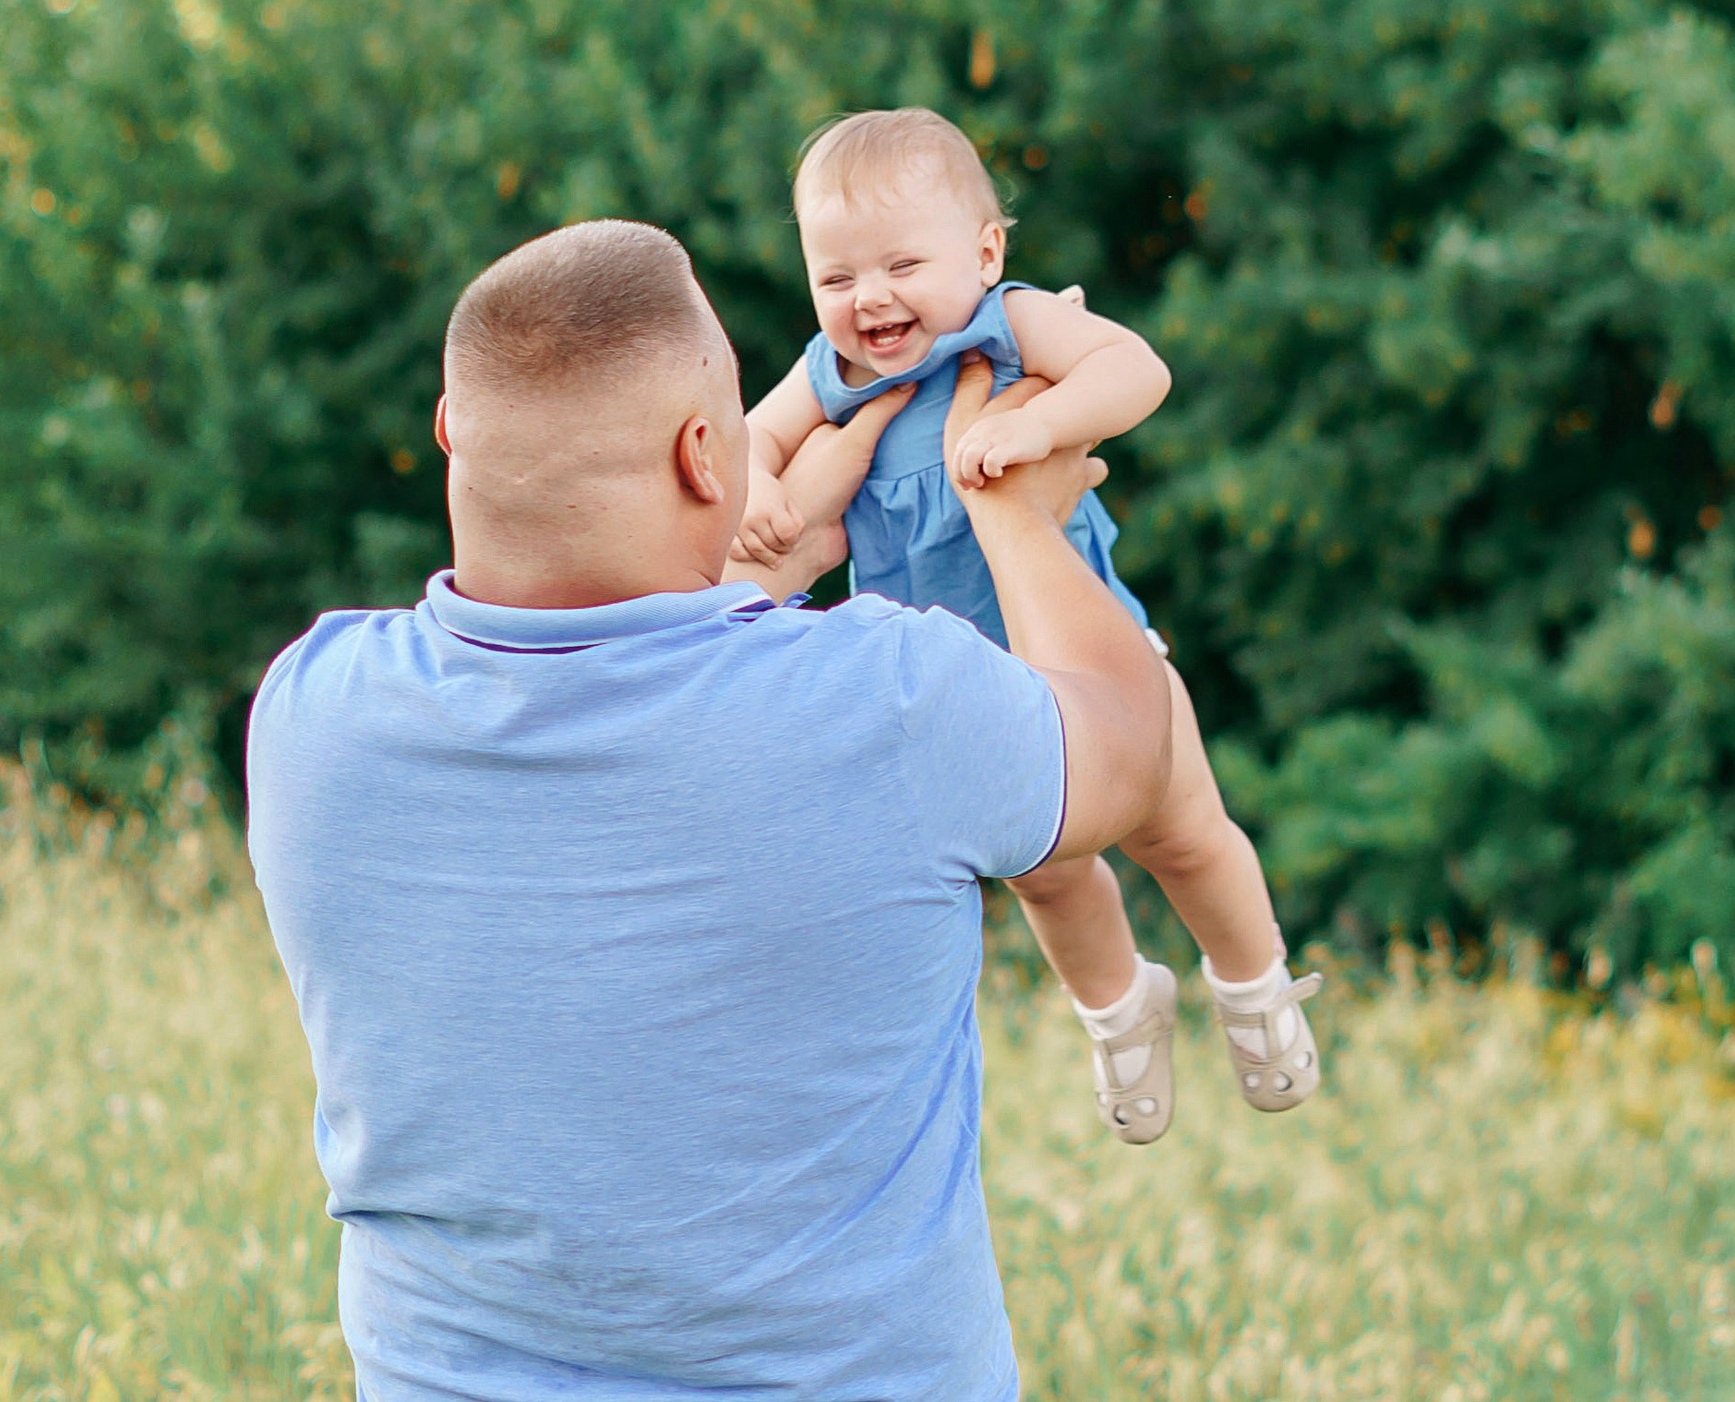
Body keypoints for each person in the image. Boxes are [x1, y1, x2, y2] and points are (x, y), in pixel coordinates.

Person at [245, 220, 1174, 1400]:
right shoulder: (888, 702)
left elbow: (625, 694)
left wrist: (748, 588)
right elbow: (1127, 748)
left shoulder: (310, 712)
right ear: (702, 454)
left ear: (447, 433)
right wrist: (1013, 519)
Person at [733, 109, 1321, 1143]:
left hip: (1099, 659)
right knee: (1045, 877)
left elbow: (1137, 368)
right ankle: (1119, 1010)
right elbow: (752, 436)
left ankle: (1254, 985)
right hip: (968, 696)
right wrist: (753, 489)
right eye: (835, 278)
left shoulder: (1007, 326)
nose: (869, 297)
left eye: (902, 262)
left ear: (985, 250)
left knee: (1185, 836)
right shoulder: (835, 377)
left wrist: (1039, 422)